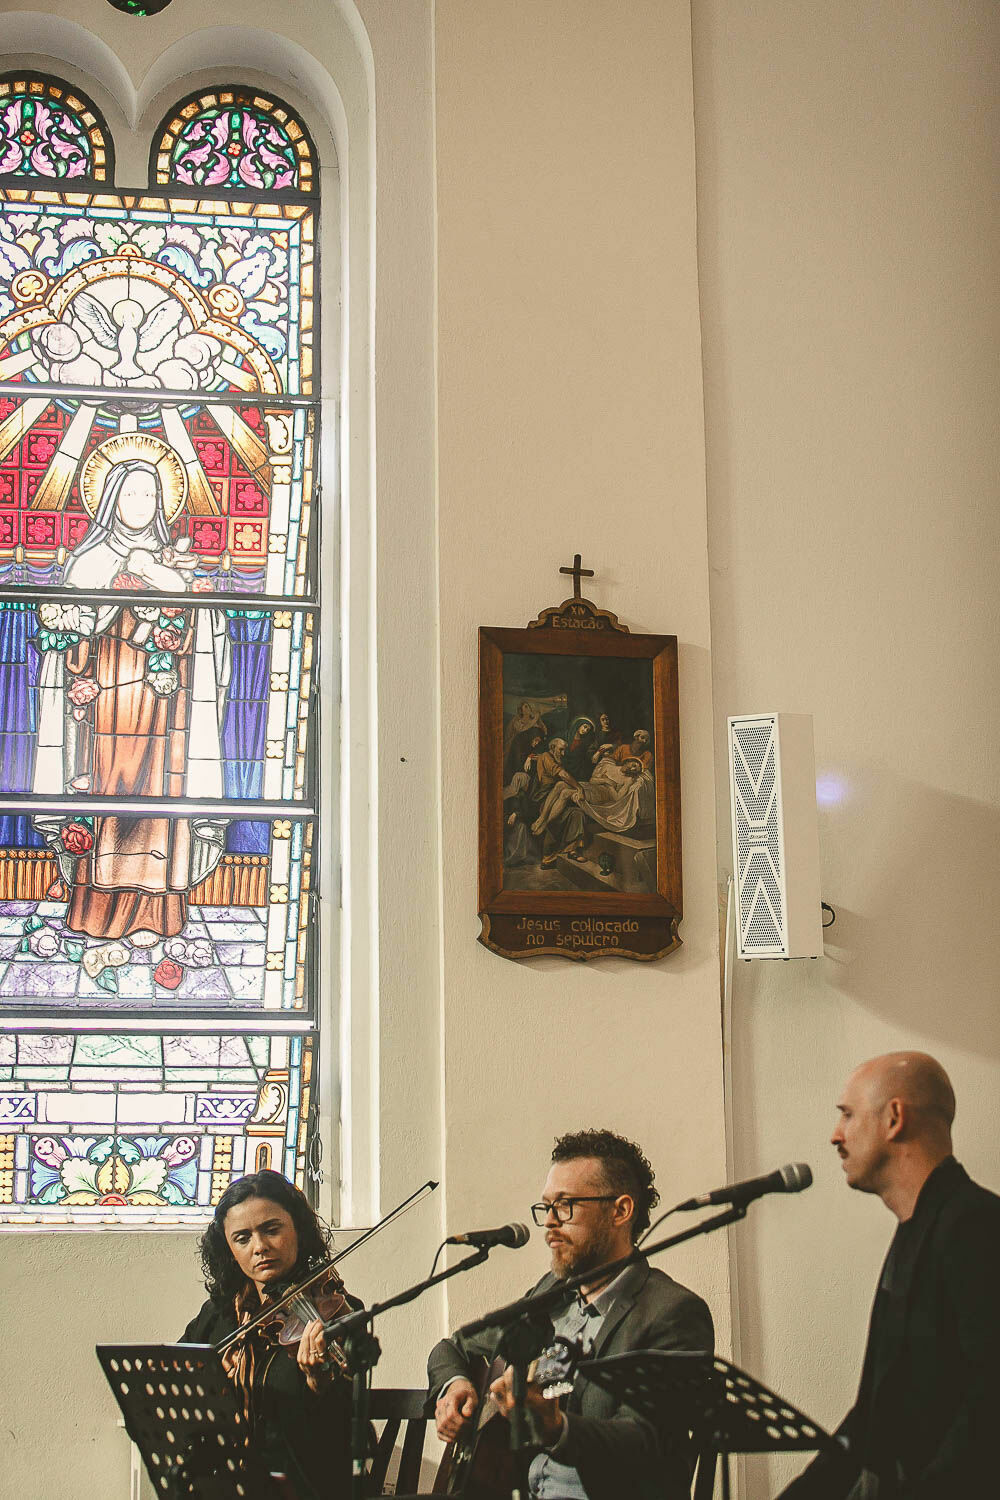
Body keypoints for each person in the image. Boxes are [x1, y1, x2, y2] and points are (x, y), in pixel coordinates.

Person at [428, 1129, 714, 1500]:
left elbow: (647, 1439)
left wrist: (555, 1426)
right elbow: (454, 1347)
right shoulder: (552, 1293)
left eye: (565, 1206)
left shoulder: (672, 1313)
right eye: (545, 1207)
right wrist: (455, 1385)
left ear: (620, 1210)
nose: (549, 1222)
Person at [780, 1051, 1000, 1498]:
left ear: (895, 1117)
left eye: (847, 1115)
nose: (835, 1135)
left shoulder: (976, 1223)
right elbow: (876, 1414)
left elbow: (988, 1405)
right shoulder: (917, 1229)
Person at [32, 453, 228, 944]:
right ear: (111, 500)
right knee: (109, 796)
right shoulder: (88, 561)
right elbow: (69, 636)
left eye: (150, 495)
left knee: (159, 801)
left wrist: (171, 593)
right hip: (107, 704)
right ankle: (99, 912)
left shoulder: (173, 563)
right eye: (131, 493)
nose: (140, 503)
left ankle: (154, 914)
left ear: (161, 504)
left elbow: (200, 629)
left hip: (164, 707)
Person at [180, 1169, 359, 1500]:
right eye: (242, 1238)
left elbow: (341, 1435)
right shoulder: (219, 1315)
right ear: (229, 1249)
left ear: (298, 1231)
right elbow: (176, 1388)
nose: (259, 1247)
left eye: (271, 1230)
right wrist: (208, 1389)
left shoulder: (335, 1312)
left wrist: (316, 1383)